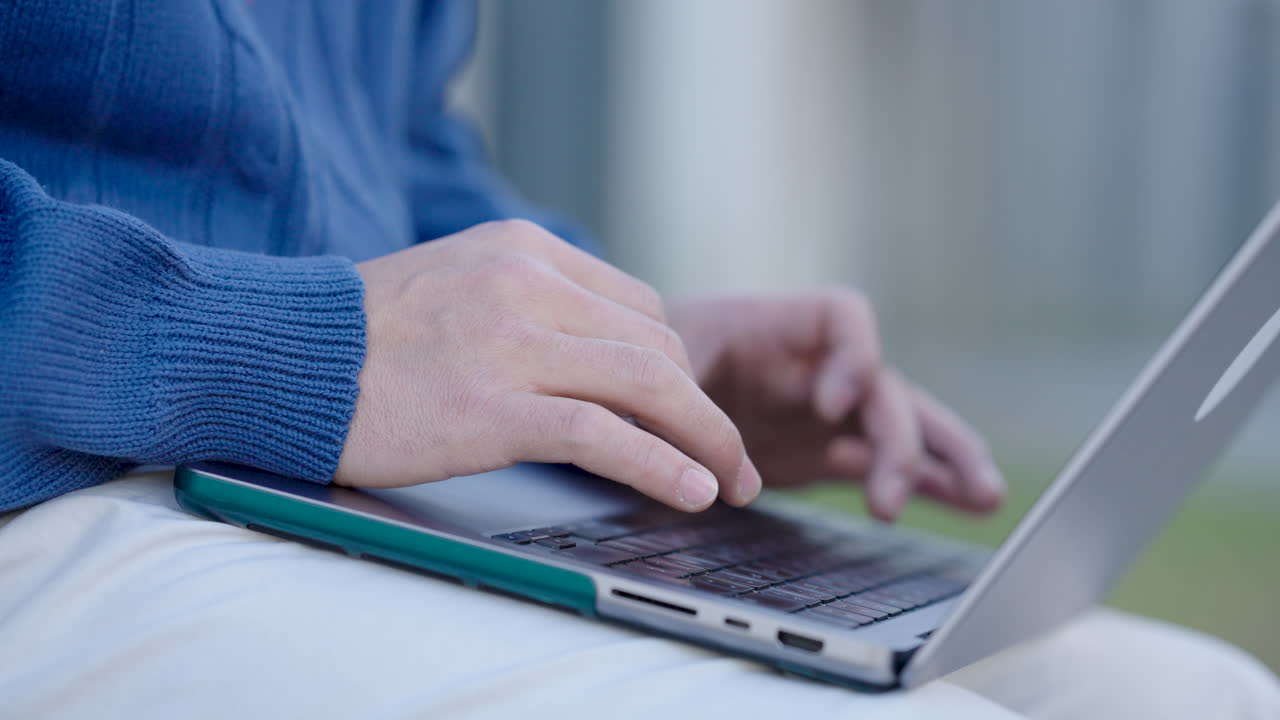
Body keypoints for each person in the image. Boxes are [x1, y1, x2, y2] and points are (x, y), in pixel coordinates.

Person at [0, 2, 1275, 718]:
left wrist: (610, 358)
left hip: (328, 476)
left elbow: (375, 145)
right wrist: (278, 347)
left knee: (1189, 700)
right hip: (54, 469)